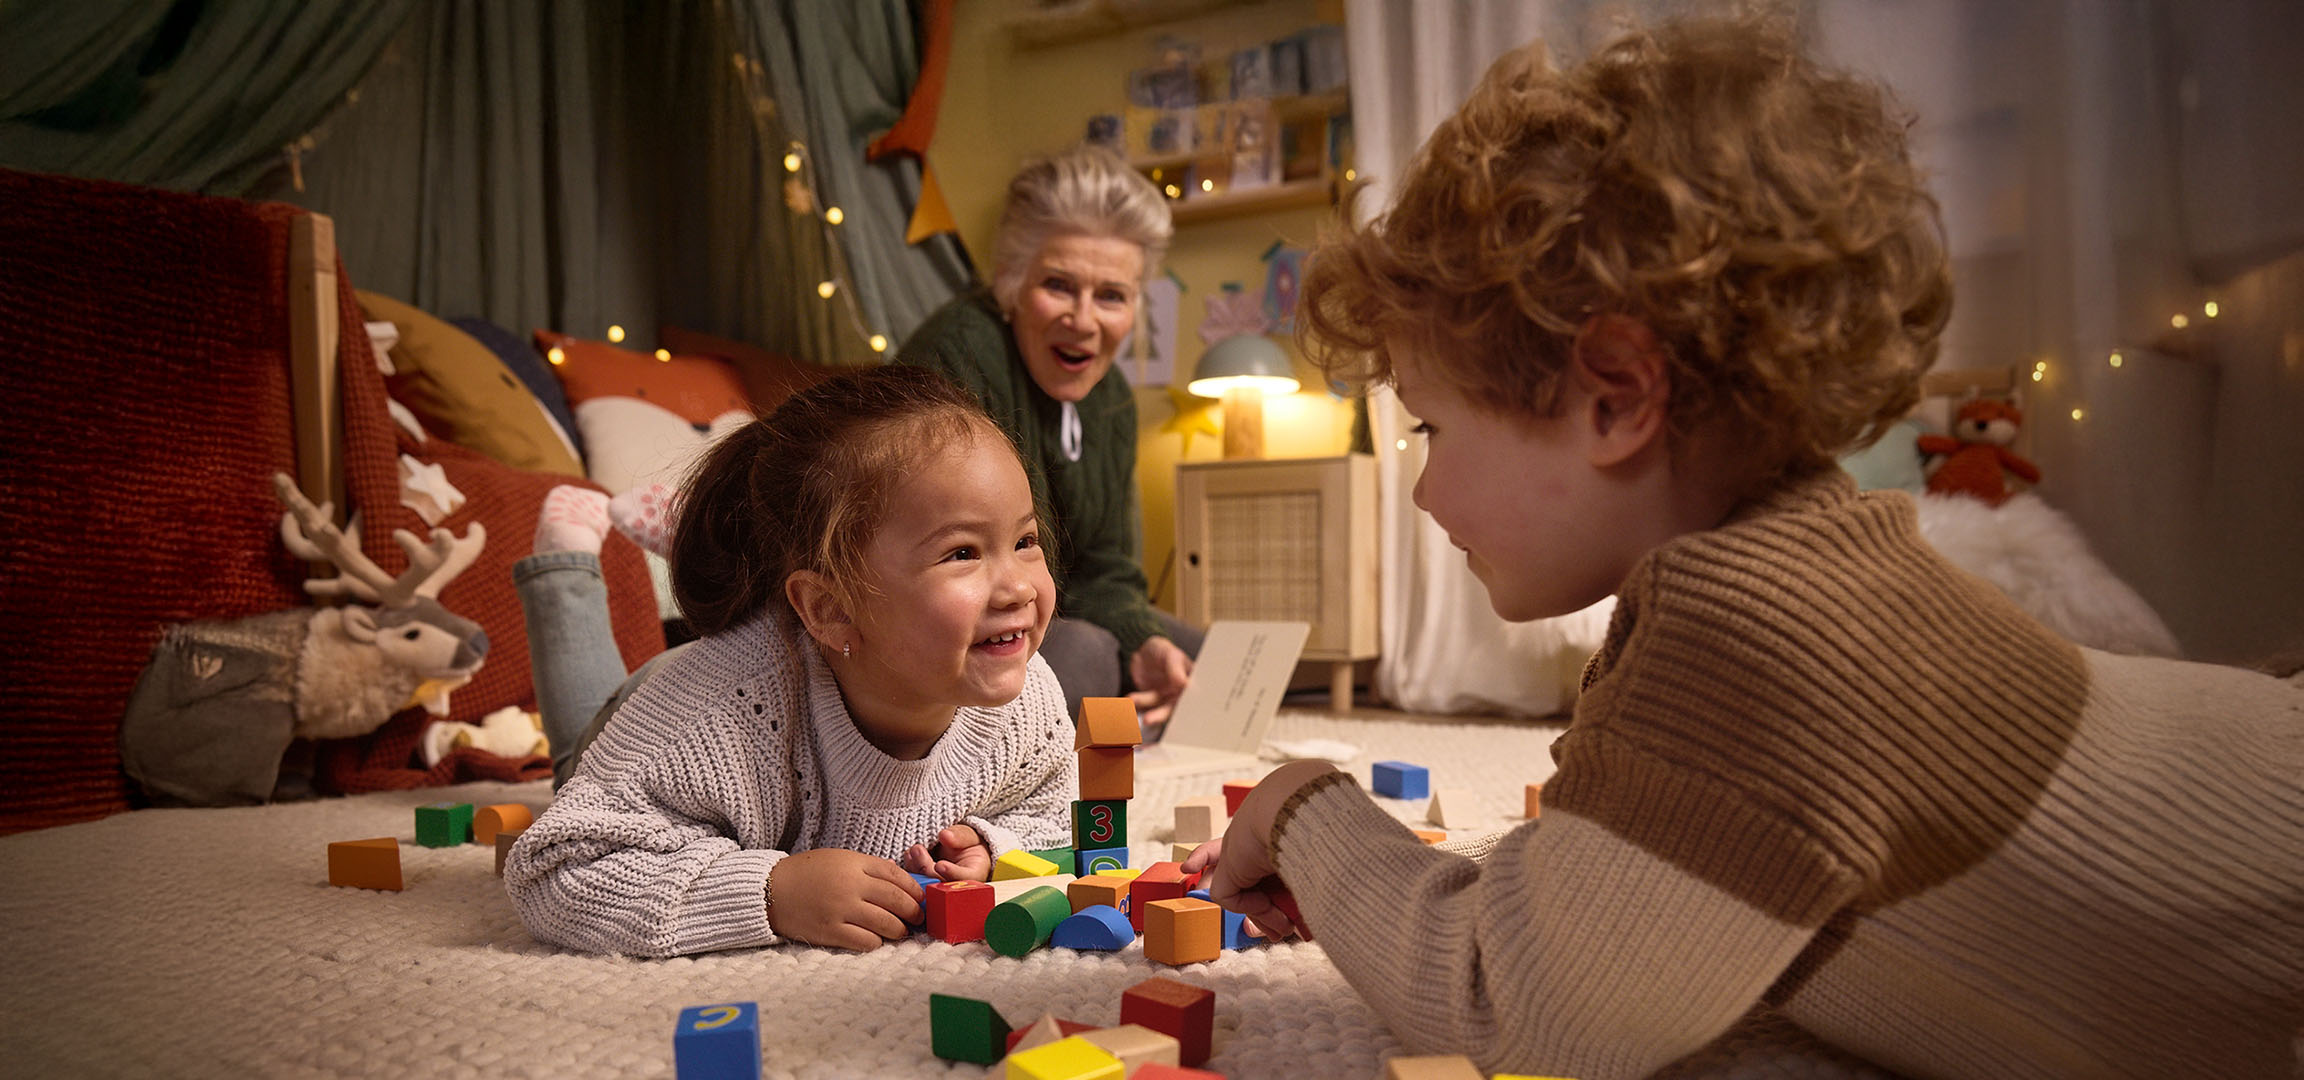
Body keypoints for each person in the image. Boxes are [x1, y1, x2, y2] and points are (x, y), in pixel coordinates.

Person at [1183, 14, 2304, 1080]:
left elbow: (1500, 999)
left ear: (1616, 398)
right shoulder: (1795, 572)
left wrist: (1298, 803)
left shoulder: (1756, 643)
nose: (1424, 488)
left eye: (1432, 427)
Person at [501, 366, 1078, 957]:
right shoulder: (709, 722)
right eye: (962, 553)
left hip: (798, 652)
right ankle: (565, 564)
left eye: (1025, 541)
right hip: (671, 701)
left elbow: (1057, 819)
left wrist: (995, 847)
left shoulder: (1030, 701)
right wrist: (769, 892)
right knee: (574, 751)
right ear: (830, 608)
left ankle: (742, 558)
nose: (1017, 589)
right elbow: (555, 869)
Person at [896, 144, 1201, 730]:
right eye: (1059, 286)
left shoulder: (1109, 397)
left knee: (1202, 658)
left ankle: (1102, 720)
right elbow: (944, 569)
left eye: (1111, 295)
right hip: (956, 629)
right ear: (1011, 283)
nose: (1084, 321)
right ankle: (1065, 737)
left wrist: (1142, 642)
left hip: (1045, 612)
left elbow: (1105, 570)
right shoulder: (959, 354)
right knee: (1086, 651)